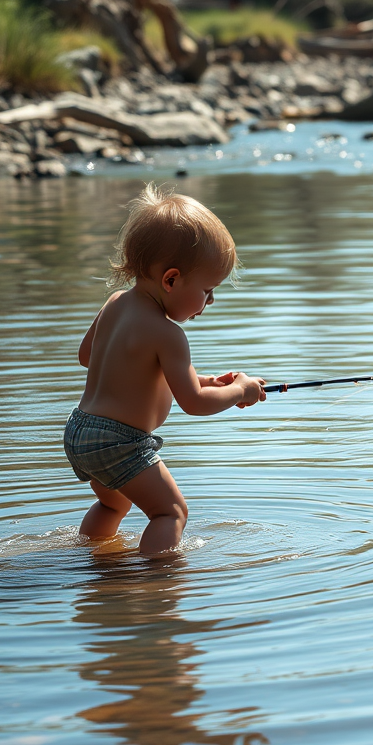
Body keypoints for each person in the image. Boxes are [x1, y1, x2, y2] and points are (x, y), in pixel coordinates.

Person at [64, 184, 266, 556]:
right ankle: (158, 586)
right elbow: (196, 403)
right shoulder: (169, 334)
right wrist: (242, 390)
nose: (211, 300)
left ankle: (90, 563)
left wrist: (198, 378)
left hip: (80, 431)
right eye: (208, 289)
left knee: (114, 504)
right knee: (171, 513)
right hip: (118, 441)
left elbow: (89, 356)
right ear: (171, 280)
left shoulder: (115, 303)